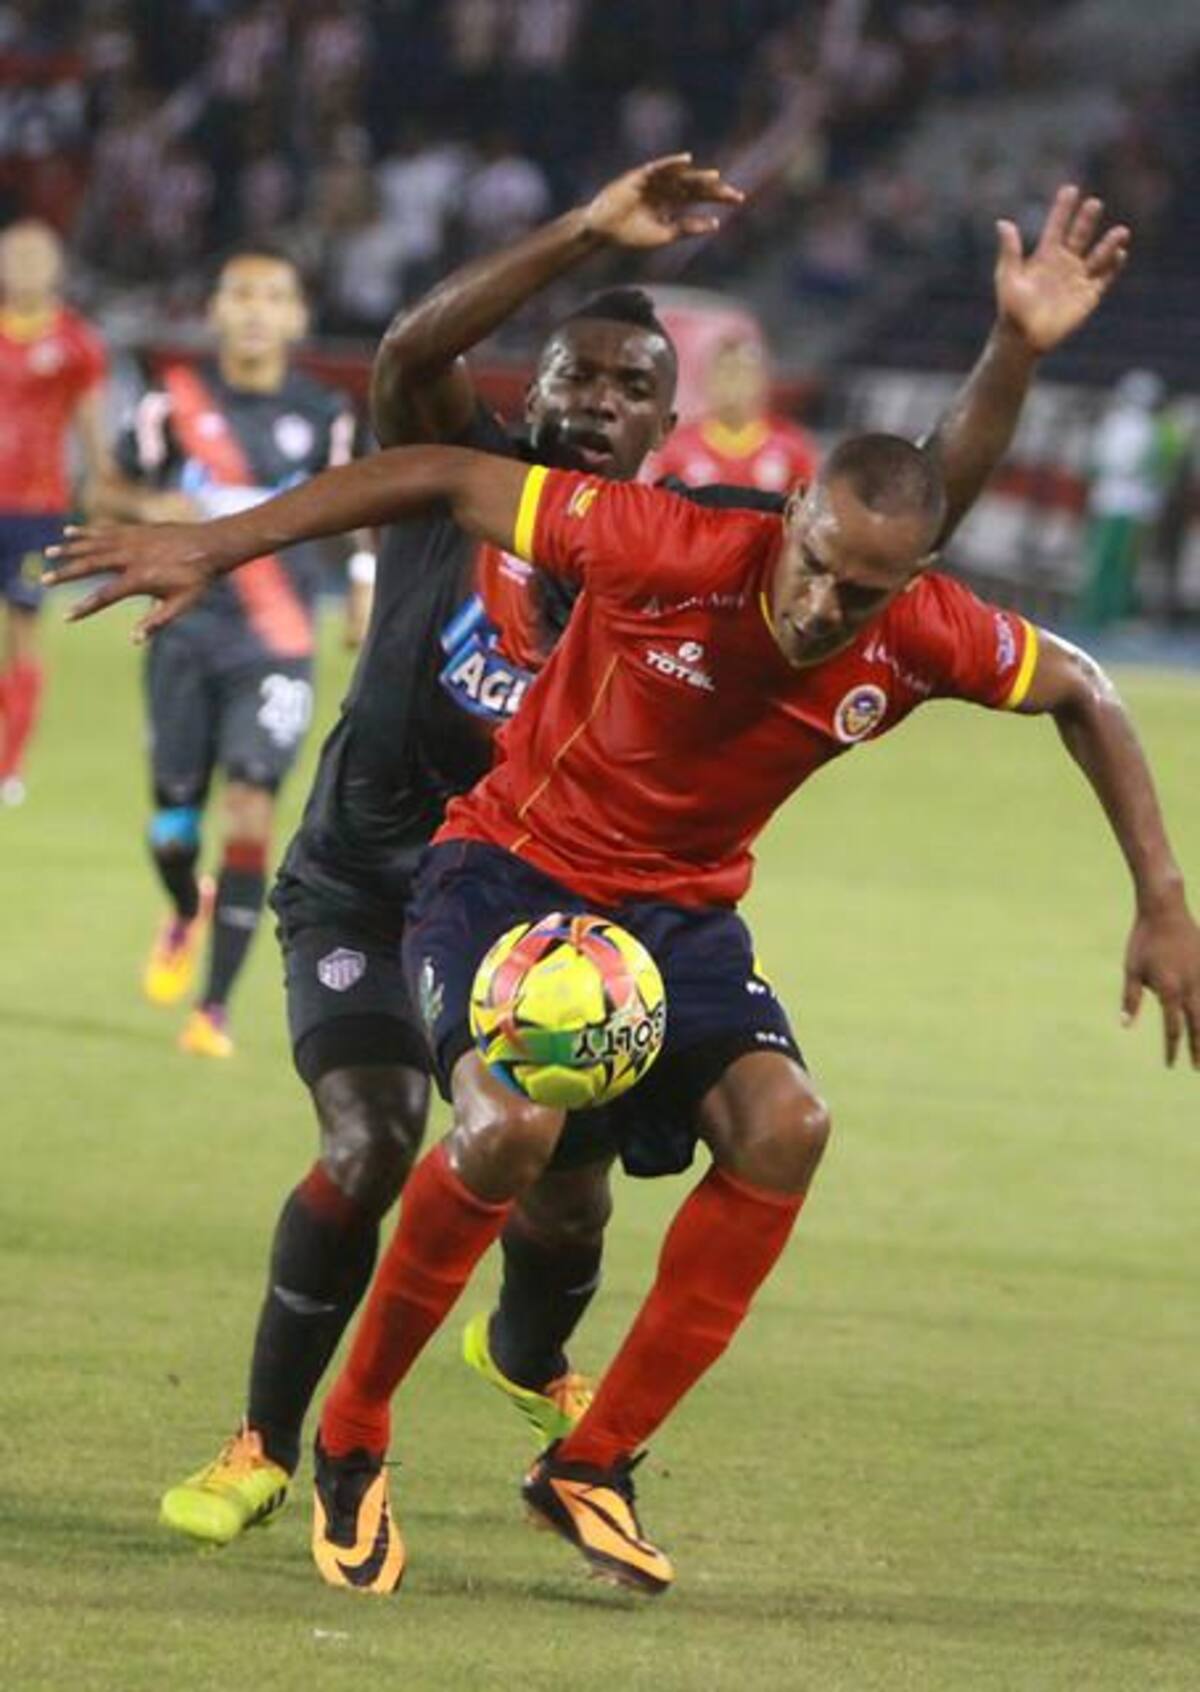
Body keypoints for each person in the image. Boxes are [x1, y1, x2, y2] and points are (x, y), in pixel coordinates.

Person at [50, 185, 1141, 1592]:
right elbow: (413, 389)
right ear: (539, 386)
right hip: (419, 874)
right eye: (579, 374)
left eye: (634, 390)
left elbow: (909, 507)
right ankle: (299, 1440)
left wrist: (1015, 349)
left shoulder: (684, 537)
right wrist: (221, 539)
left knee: (620, 1190)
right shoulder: (559, 504)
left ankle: (564, 1424)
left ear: (667, 427)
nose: (599, 404)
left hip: (632, 915)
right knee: (394, 1142)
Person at [92, 245, 360, 1060]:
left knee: (250, 805)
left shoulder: (325, 414)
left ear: (296, 316)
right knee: (173, 825)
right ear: (214, 310)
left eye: (272, 296)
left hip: (277, 639)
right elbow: (104, 488)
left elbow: (359, 508)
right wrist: (150, 504)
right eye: (239, 294)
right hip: (184, 631)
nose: (253, 310)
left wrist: (363, 584)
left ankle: (213, 1008)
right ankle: (185, 905)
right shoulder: (172, 400)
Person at [0, 219, 110, 807]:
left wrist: (102, 494)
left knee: (23, 635)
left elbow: (92, 432)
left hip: (36, 512)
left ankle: (8, 766)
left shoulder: (76, 344)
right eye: (14, 254)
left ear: (57, 266)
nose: (23, 266)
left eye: (35, 256)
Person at [647, 328, 819, 493]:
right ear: (707, 381)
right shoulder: (677, 449)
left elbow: (810, 507)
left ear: (762, 381)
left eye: (742, 373)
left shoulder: (792, 448)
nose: (733, 383)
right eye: (725, 372)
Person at [1080, 368, 1166, 627]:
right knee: (1110, 563)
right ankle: (1097, 615)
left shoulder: (1142, 427)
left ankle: (1106, 615)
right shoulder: (1127, 426)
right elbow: (1103, 463)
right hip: (1117, 504)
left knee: (1116, 564)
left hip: (1124, 505)